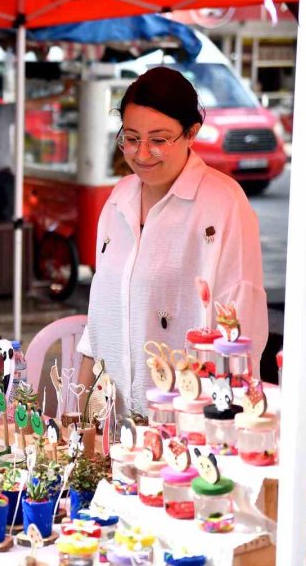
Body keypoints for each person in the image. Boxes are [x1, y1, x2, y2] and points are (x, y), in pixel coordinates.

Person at [77, 67, 268, 415]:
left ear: (192, 133)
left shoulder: (223, 205)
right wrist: (77, 415)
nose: (142, 153)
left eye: (159, 139)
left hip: (187, 421)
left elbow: (241, 327)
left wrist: (222, 419)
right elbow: (100, 319)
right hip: (110, 420)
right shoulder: (118, 200)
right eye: (131, 138)